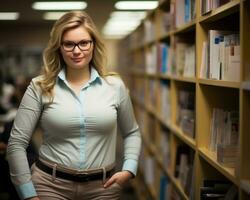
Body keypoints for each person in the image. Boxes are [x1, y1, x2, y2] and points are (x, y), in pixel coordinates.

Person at [7, 11, 141, 200]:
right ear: (59, 47)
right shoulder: (39, 86)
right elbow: (16, 144)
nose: (77, 51)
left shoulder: (115, 86)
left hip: (103, 188)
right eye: (69, 44)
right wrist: (28, 194)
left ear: (93, 44)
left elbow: (131, 132)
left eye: (84, 43)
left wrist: (129, 169)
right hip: (50, 186)